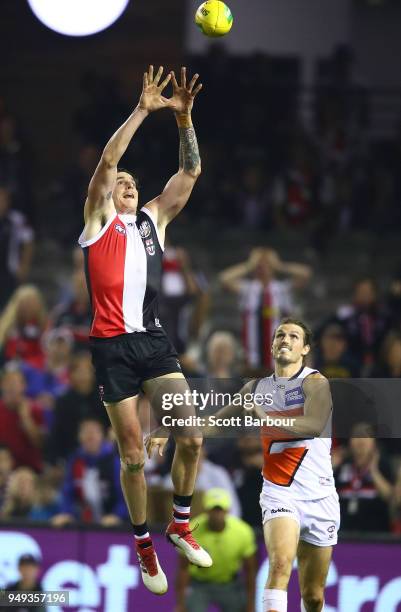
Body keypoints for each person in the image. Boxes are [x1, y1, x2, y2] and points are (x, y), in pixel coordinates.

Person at [79, 64, 211, 594]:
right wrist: (142, 110)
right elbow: (110, 160)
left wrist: (182, 120)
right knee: (133, 456)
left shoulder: (153, 220)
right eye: (123, 185)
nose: (129, 186)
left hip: (152, 342)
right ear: (111, 195)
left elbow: (191, 174)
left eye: (135, 183)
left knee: (193, 435)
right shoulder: (96, 224)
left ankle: (179, 523)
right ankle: (142, 543)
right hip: (111, 347)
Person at [148, 318, 340, 612]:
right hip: (280, 492)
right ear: (273, 344)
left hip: (320, 496)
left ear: (305, 348)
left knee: (313, 596)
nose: (285, 340)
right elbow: (213, 424)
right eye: (280, 335)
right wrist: (171, 426)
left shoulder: (315, 382)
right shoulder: (256, 388)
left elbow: (313, 425)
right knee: (279, 566)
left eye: (293, 336)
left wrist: (265, 418)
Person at [220, 248, 311, 371]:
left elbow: (305, 274)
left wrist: (280, 266)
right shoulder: (248, 289)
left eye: (267, 264)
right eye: (259, 264)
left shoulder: (282, 289)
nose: (262, 268)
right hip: (251, 358)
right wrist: (249, 265)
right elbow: (224, 279)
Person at [174, 488, 257, 612]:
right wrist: (181, 604)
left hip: (229, 584)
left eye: (220, 510)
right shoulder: (190, 531)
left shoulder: (243, 532)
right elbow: (183, 568)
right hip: (199, 584)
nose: (217, 514)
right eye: (213, 510)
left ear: (227, 511)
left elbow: (250, 571)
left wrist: (251, 604)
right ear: (206, 510)